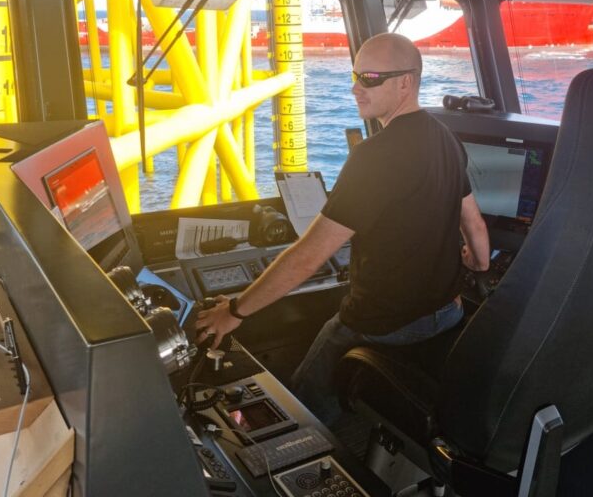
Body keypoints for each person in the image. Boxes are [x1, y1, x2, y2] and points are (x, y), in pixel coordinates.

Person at [195, 32, 490, 420]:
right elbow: (474, 224)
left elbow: (307, 257)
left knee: (302, 402)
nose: (355, 88)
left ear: (406, 81)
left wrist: (234, 311)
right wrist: (478, 262)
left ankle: (307, 451)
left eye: (369, 78)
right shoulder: (447, 139)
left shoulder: (373, 157)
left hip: (384, 322)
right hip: (445, 315)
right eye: (355, 76)